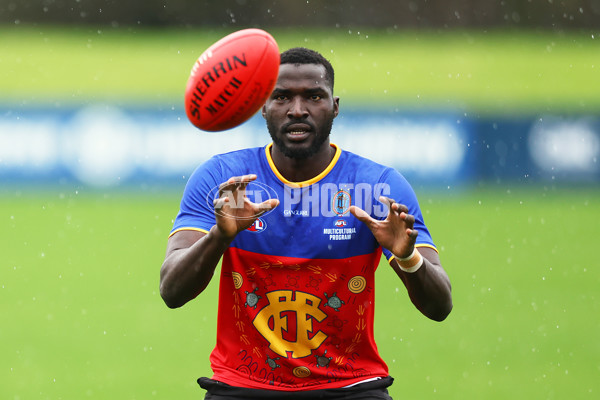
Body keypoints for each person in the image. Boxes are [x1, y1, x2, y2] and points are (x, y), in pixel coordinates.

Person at [160, 47, 452, 399]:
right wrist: (218, 238)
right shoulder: (222, 178)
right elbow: (171, 291)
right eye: (282, 97)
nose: (297, 110)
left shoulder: (379, 187)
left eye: (314, 96)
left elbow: (440, 307)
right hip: (242, 388)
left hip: (351, 388)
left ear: (335, 106)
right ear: (263, 106)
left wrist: (408, 258)